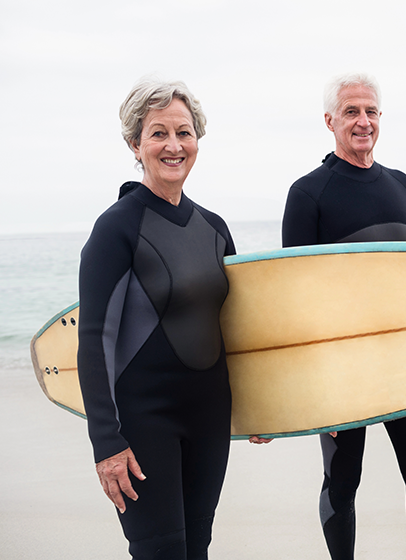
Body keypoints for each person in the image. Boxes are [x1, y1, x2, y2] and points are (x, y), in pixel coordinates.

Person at [252, 73, 406, 559]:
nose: (363, 122)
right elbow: (292, 300)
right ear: (330, 121)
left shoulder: (402, 186)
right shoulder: (308, 194)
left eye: (371, 112)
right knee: (343, 483)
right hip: (342, 372)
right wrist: (306, 390)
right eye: (351, 112)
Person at [77, 77, 236, 560]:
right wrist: (106, 442)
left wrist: (266, 405)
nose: (174, 146)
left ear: (197, 140)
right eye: (159, 133)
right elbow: (94, 339)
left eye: (184, 133)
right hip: (144, 422)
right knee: (161, 552)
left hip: (210, 418)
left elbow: (238, 332)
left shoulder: (215, 229)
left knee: (198, 548)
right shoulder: (116, 228)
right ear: (135, 143)